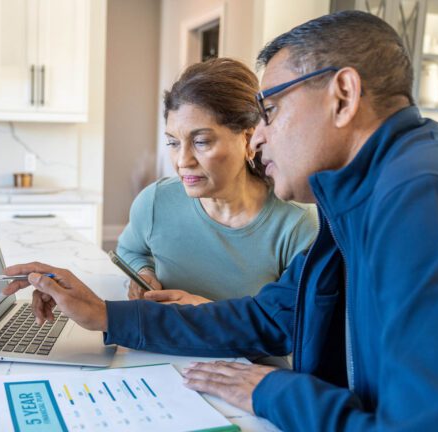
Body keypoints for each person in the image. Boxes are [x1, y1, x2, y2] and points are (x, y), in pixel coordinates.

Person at [3, 11, 438, 431]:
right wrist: (107, 316)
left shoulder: (428, 202)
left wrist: (273, 391)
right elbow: (268, 317)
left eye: (269, 110)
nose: (260, 137)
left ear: (342, 96)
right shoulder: (366, 195)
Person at [118, 58, 317, 305]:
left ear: (248, 138)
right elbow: (129, 250)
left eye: (201, 142)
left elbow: (292, 325)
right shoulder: (155, 202)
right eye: (173, 142)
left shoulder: (296, 225)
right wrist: (143, 272)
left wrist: (203, 312)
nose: (182, 161)